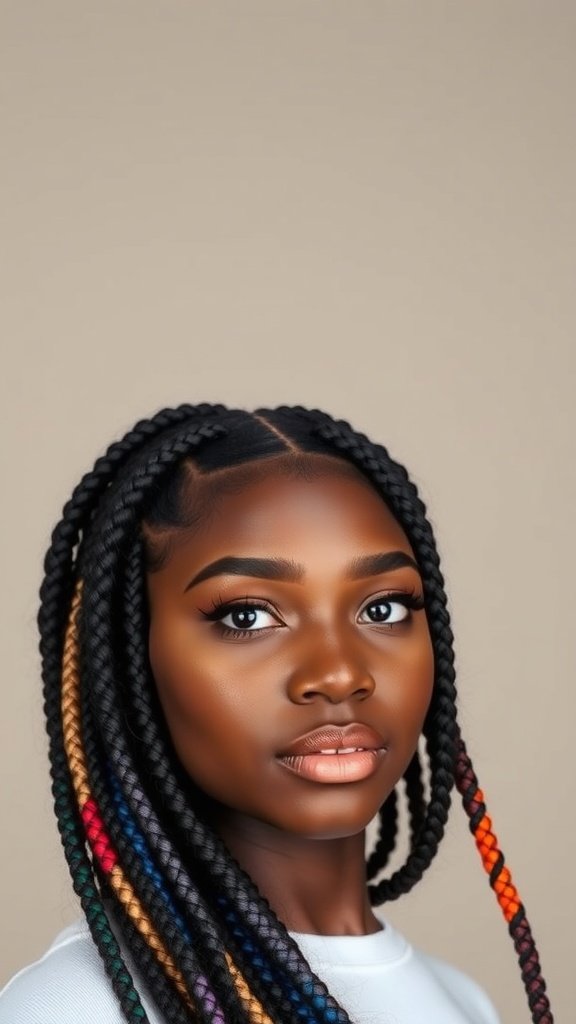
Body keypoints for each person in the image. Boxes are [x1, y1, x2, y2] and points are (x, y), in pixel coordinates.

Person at [0, 404, 553, 1024]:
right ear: (128, 652)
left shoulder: (464, 1002)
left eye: (384, 608)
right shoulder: (77, 1008)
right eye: (247, 617)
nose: (341, 672)